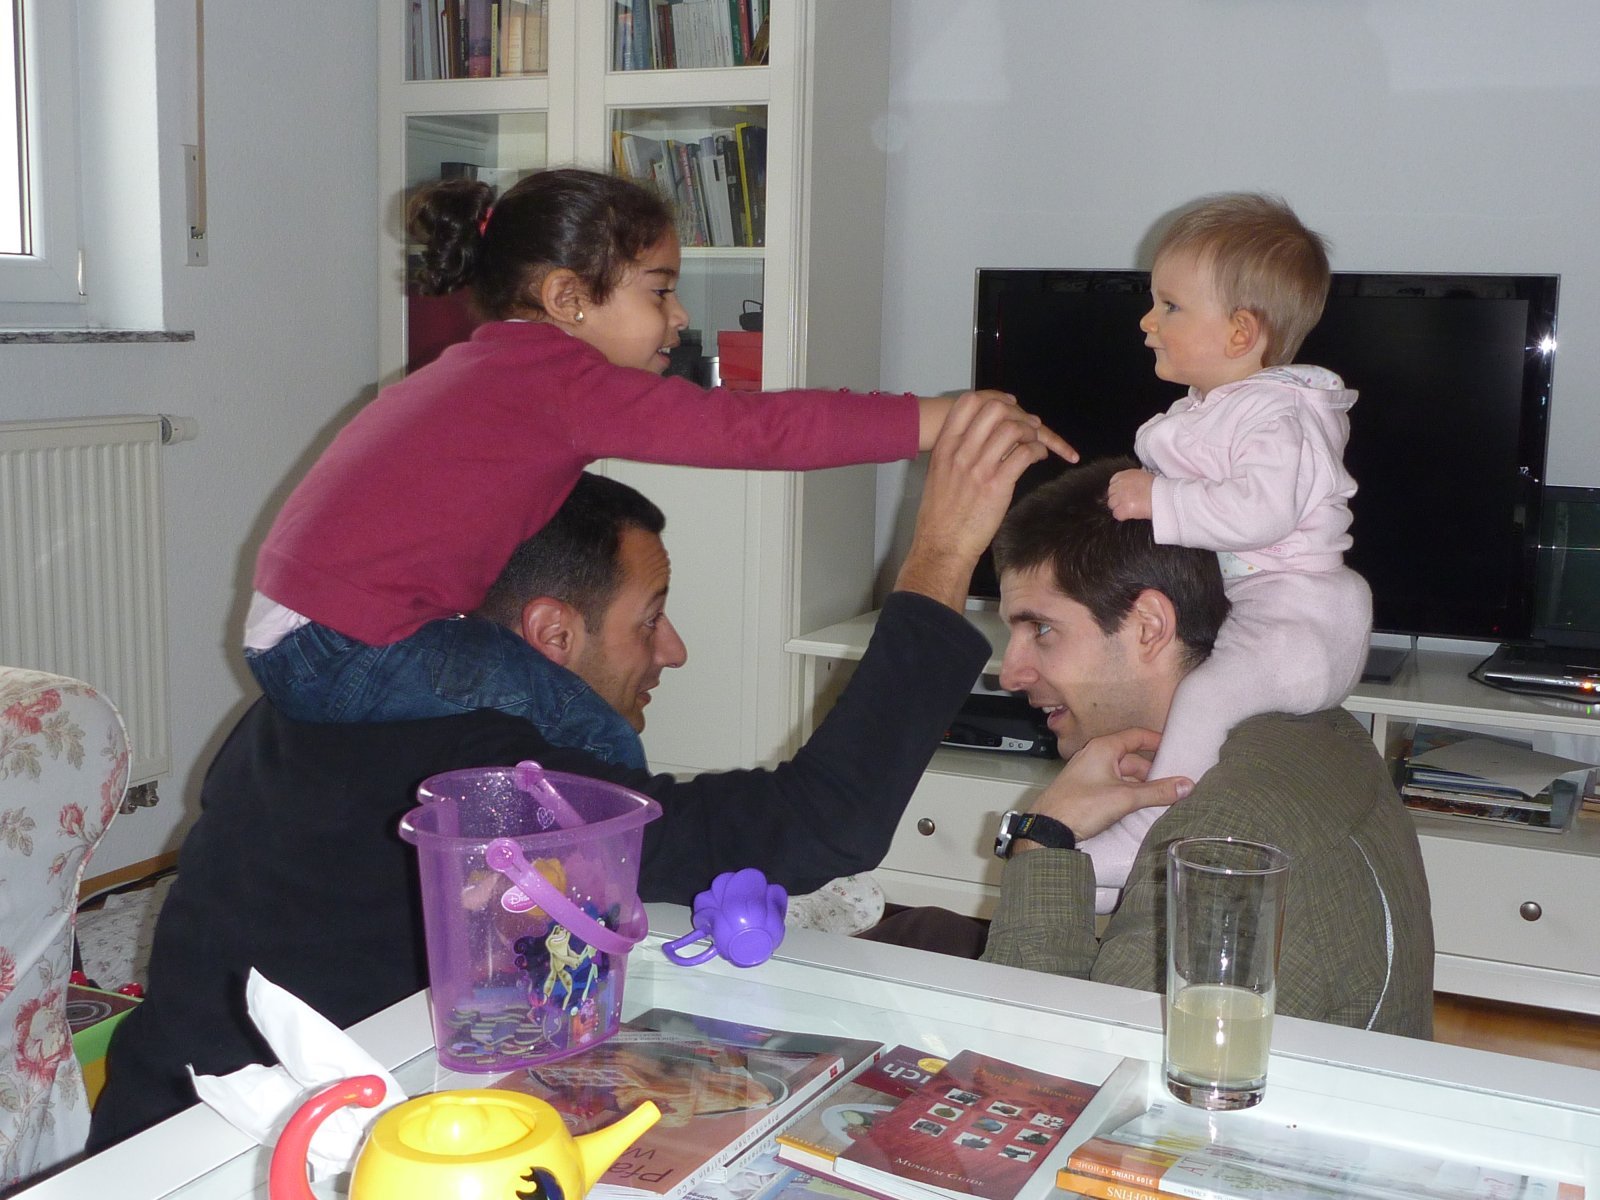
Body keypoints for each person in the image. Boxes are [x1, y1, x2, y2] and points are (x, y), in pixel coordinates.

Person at [88, 392, 1056, 1150]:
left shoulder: (329, 700)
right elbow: (821, 821)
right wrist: (941, 554)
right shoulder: (491, 779)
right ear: (551, 633)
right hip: (236, 1160)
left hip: (154, 1109)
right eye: (650, 617)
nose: (672, 650)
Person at [245, 166, 1071, 769]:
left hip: (319, 631)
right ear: (568, 299)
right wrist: (937, 419)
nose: (678, 318)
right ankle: (609, 899)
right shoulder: (554, 379)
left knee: (523, 712)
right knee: (595, 730)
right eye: (659, 291)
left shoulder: (493, 369)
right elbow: (755, 431)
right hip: (345, 643)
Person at [976, 458, 1433, 1037]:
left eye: (1041, 629)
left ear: (1148, 625)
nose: (1010, 673)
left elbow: (1050, 1061)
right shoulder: (1315, 727)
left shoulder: (1217, 839)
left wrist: (1043, 836)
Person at [1083, 193, 1372, 912]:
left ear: (1241, 331)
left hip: (1297, 617)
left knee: (1205, 695)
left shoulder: (1276, 415)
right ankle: (1136, 845)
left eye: (1170, 306)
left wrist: (1162, 499)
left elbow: (1261, 510)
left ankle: (1146, 833)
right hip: (1282, 610)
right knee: (1196, 701)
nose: (1148, 322)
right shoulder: (1234, 405)